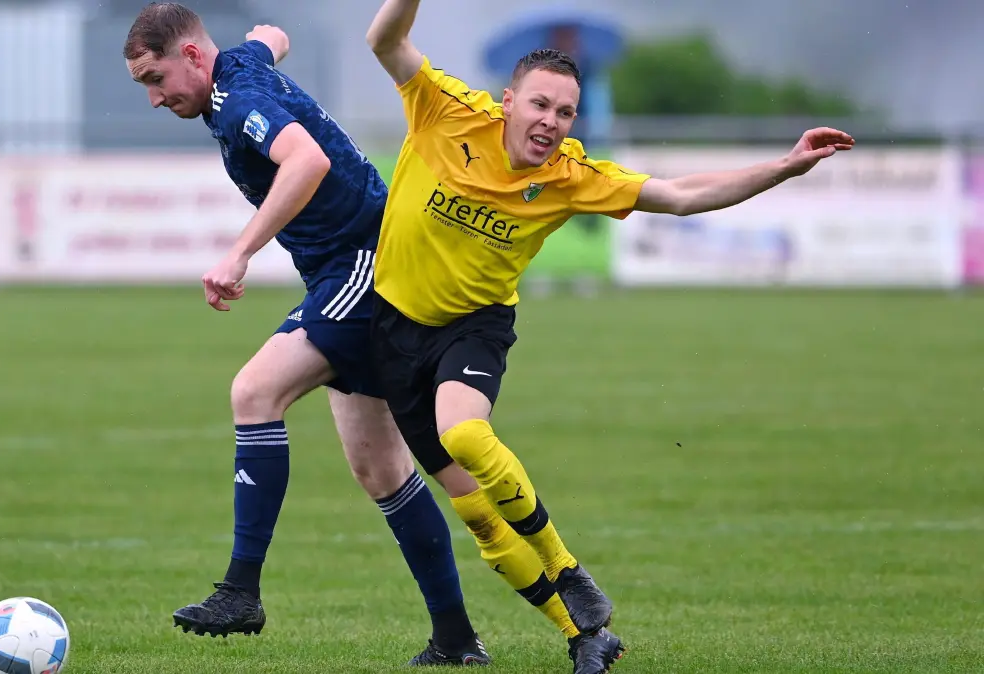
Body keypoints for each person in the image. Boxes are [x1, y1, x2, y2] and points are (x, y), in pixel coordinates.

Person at [364, 1, 855, 673]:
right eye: (540, 105)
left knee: (466, 434)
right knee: (477, 516)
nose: (550, 122)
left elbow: (680, 195)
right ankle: (584, 635)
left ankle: (566, 567)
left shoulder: (569, 175)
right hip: (393, 328)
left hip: (473, 326)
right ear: (508, 101)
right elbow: (384, 37)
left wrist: (785, 166)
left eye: (565, 113)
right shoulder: (445, 109)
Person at [122, 3, 584, 666]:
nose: (153, 96)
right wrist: (264, 47)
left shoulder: (234, 98)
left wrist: (239, 253)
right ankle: (456, 639)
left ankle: (240, 590)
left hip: (364, 263)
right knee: (382, 469)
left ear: (193, 56)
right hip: (354, 264)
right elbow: (267, 38)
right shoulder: (240, 66)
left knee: (254, 392)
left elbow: (304, 162)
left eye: (154, 76)